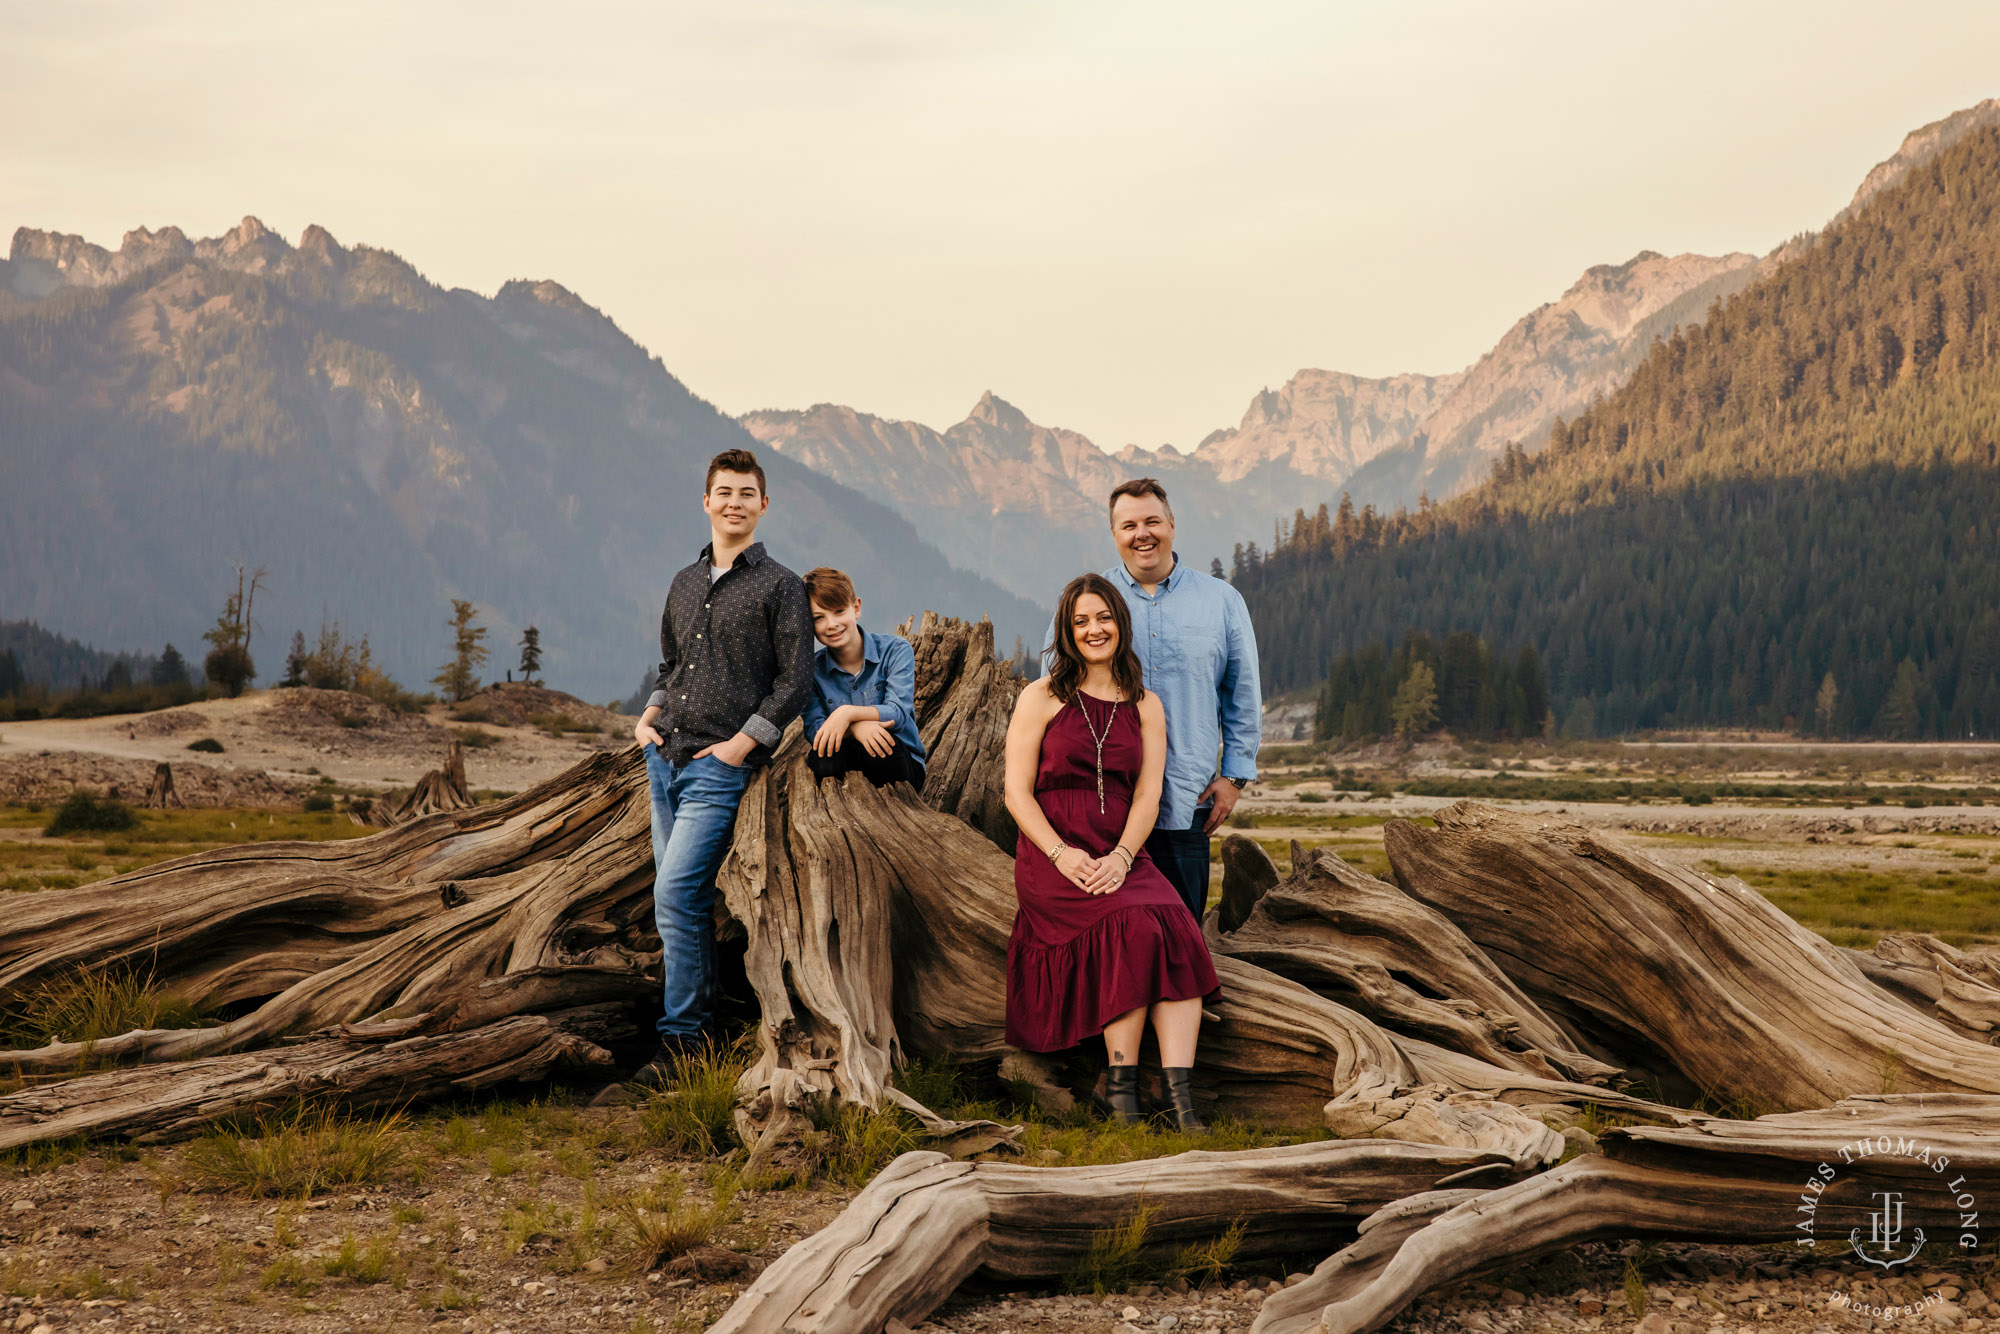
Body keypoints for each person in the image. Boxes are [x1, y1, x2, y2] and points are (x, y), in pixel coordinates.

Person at [1004, 572, 1221, 1131]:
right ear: (1067, 631)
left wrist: (1124, 857)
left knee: (1175, 925)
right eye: (1081, 622)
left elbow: (1148, 794)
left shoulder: (1145, 704)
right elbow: (1015, 793)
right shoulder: (1041, 696)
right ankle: (1120, 1093)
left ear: (1120, 625)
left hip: (1123, 852)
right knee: (1131, 926)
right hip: (1053, 855)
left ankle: (1180, 1102)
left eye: (1103, 618)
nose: (1093, 629)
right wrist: (1061, 855)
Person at [630, 447, 813, 1084]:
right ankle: (698, 1031)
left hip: (718, 766)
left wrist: (743, 744)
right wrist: (647, 716)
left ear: (764, 505)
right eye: (723, 492)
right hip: (664, 760)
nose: (734, 503)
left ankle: (681, 1043)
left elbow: (795, 682)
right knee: (677, 902)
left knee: (677, 895)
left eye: (746, 493)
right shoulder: (684, 581)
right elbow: (670, 663)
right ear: (705, 501)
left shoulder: (782, 585)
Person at [1062, 478, 1262, 921]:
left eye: (1152, 521)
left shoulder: (1222, 601)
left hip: (1186, 802)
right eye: (1128, 525)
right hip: (1103, 803)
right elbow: (1057, 699)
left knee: (1183, 930)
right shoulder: (1089, 603)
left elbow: (1243, 694)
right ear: (1114, 535)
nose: (1142, 534)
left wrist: (1235, 778)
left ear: (1172, 524)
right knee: (1110, 935)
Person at [800, 567, 927, 790]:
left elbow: (897, 713)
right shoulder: (810, 671)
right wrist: (856, 728)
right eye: (819, 618)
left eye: (839, 611)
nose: (831, 624)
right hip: (845, 757)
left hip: (895, 759)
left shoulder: (895, 650)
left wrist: (846, 713)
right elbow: (815, 731)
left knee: (877, 747)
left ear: (856, 608)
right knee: (824, 757)